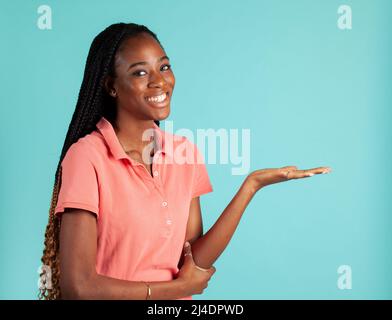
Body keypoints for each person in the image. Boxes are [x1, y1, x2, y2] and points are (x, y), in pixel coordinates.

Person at [39, 22, 331, 300]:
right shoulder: (87, 156)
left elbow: (191, 260)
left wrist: (251, 186)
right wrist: (171, 291)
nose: (160, 81)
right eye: (140, 73)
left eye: (164, 66)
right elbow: (79, 286)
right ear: (112, 86)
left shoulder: (185, 153)